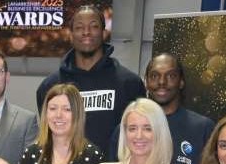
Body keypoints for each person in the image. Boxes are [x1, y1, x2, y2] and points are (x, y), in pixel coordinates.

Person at [36, 5, 145, 155]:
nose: (86, 32)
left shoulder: (130, 83)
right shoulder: (50, 86)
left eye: (93, 27)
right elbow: (46, 137)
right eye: (79, 27)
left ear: (104, 32)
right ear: (71, 35)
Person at [108, 53, 214, 164]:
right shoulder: (127, 129)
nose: (162, 82)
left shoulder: (202, 128)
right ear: (146, 82)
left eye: (170, 76)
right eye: (154, 76)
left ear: (181, 82)